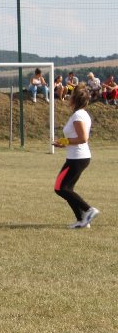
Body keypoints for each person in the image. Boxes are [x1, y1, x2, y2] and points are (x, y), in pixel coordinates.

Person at [53, 84, 99, 229]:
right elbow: (77, 137)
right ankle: (81, 220)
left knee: (60, 187)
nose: (68, 98)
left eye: (70, 95)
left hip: (77, 158)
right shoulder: (81, 114)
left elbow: (83, 138)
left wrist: (65, 141)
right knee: (67, 188)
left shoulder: (78, 115)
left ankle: (89, 210)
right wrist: (64, 143)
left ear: (75, 99)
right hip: (78, 157)